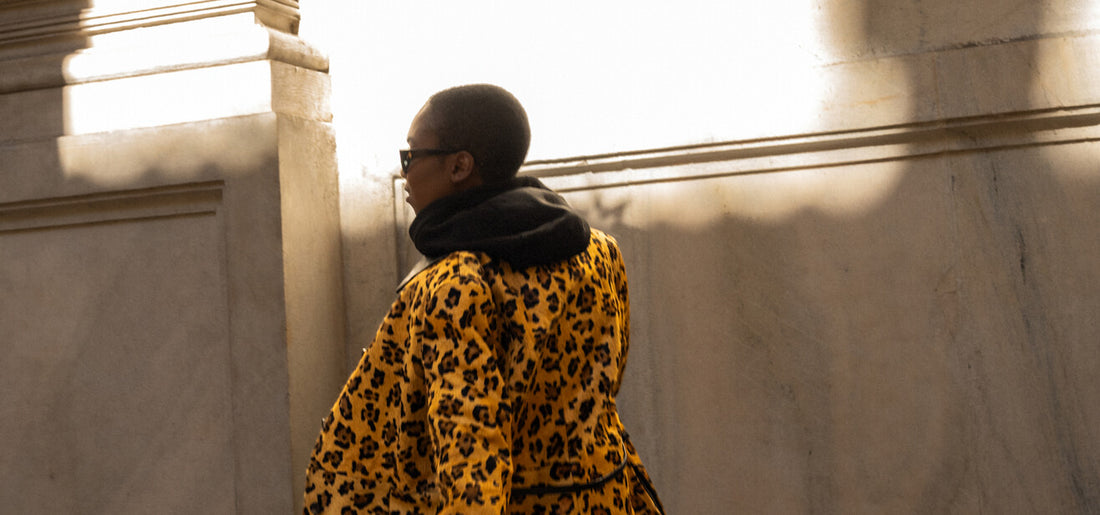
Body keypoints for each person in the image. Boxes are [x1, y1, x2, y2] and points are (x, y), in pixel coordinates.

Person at [303, 84, 664, 514]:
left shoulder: (456, 285)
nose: (405, 172)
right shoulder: (599, 252)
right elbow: (602, 389)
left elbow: (471, 451)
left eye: (412, 155)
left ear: (459, 166)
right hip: (605, 495)